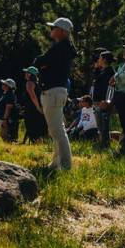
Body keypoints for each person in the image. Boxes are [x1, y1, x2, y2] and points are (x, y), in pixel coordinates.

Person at [33, 17, 77, 170]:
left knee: (57, 130)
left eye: (54, 27)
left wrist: (41, 63)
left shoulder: (60, 48)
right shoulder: (64, 47)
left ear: (62, 31)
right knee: (56, 129)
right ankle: (56, 163)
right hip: (56, 91)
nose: (51, 30)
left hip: (53, 92)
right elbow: (43, 62)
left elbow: (40, 61)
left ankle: (65, 165)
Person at [90, 51, 115, 148]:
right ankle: (103, 142)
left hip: (103, 101)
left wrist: (105, 100)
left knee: (104, 125)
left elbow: (108, 88)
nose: (98, 60)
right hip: (98, 101)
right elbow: (96, 80)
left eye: (100, 58)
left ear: (104, 59)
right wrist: (96, 69)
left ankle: (105, 144)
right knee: (100, 125)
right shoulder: (103, 71)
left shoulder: (109, 72)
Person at [20, 67, 47, 143]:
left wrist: (38, 107)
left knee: (32, 127)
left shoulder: (29, 83)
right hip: (37, 107)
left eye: (26, 73)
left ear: (30, 74)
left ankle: (36, 144)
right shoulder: (37, 83)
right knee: (37, 128)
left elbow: (33, 96)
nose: (25, 74)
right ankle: (38, 145)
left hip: (32, 108)